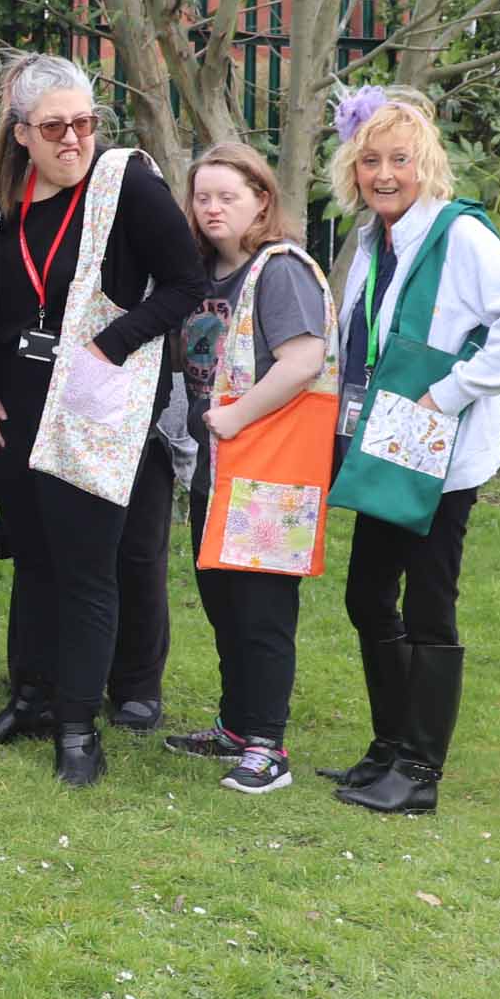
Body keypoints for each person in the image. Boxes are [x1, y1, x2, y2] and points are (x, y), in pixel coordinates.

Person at [0, 52, 205, 788]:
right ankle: (31, 699)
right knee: (33, 557)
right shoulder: (5, 197)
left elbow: (186, 282)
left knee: (88, 569)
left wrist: (114, 341)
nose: (73, 139)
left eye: (84, 123)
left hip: (92, 403)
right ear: (21, 133)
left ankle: (77, 727)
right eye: (56, 127)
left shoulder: (125, 181)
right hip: (18, 406)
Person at [317, 87, 500, 814]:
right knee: (366, 595)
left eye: (399, 160)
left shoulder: (459, 237)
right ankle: (388, 746)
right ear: (351, 170)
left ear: (426, 165)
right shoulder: (368, 239)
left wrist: (453, 390)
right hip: (386, 441)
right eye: (370, 161)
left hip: (439, 449)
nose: (384, 173)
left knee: (428, 604)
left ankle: (419, 772)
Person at [157, 142, 333, 795]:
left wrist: (234, 418)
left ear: (262, 199)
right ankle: (235, 726)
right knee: (224, 605)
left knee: (261, 613)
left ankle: (268, 745)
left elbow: (304, 359)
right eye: (202, 196)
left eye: (227, 196)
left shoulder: (278, 271)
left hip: (268, 474)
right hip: (220, 473)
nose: (211, 208)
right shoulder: (205, 273)